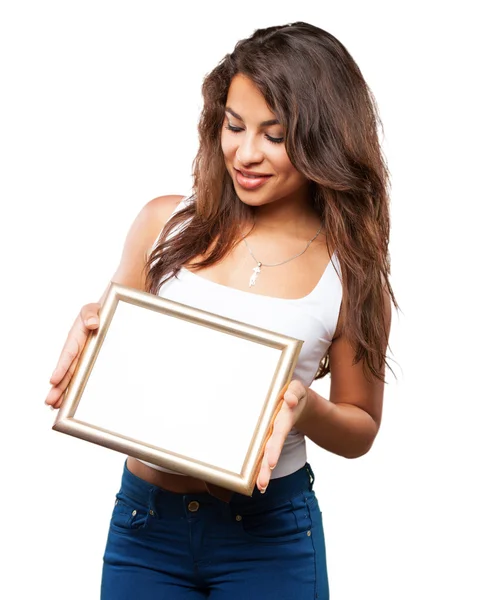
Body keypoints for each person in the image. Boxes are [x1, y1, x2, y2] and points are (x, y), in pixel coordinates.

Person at [45, 21, 397, 599]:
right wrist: (94, 333)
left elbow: (361, 426)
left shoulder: (351, 274)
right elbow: (116, 355)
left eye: (275, 135)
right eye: (234, 126)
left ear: (323, 141)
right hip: (144, 529)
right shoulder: (165, 223)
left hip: (271, 537)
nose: (246, 152)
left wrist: (302, 405)